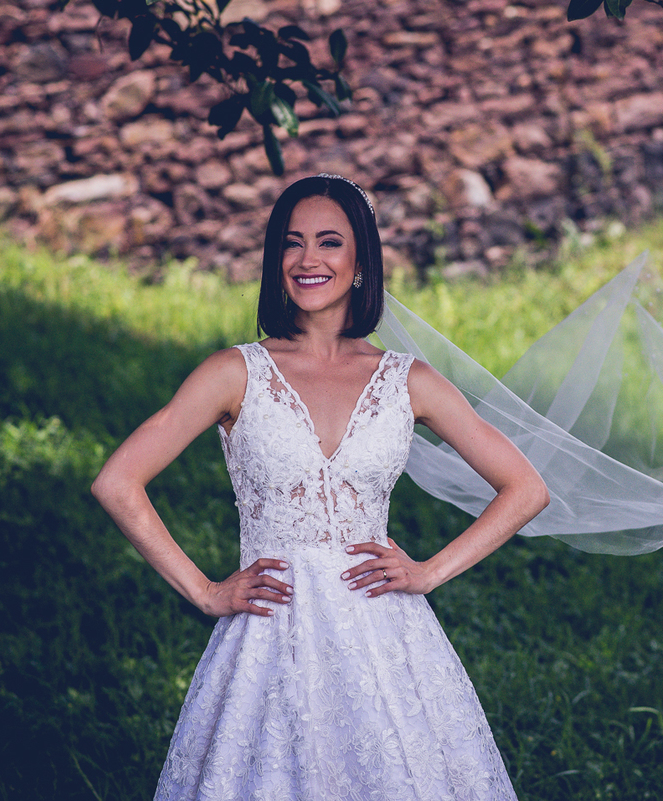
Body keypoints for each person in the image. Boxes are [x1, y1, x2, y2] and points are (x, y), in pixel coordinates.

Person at [91, 174, 550, 799]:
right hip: (270, 635)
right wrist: (203, 591)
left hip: (385, 640)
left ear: (360, 260)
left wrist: (429, 572)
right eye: (292, 243)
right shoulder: (234, 372)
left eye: (329, 242)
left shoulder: (406, 380)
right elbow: (118, 481)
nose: (308, 260)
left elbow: (525, 488)